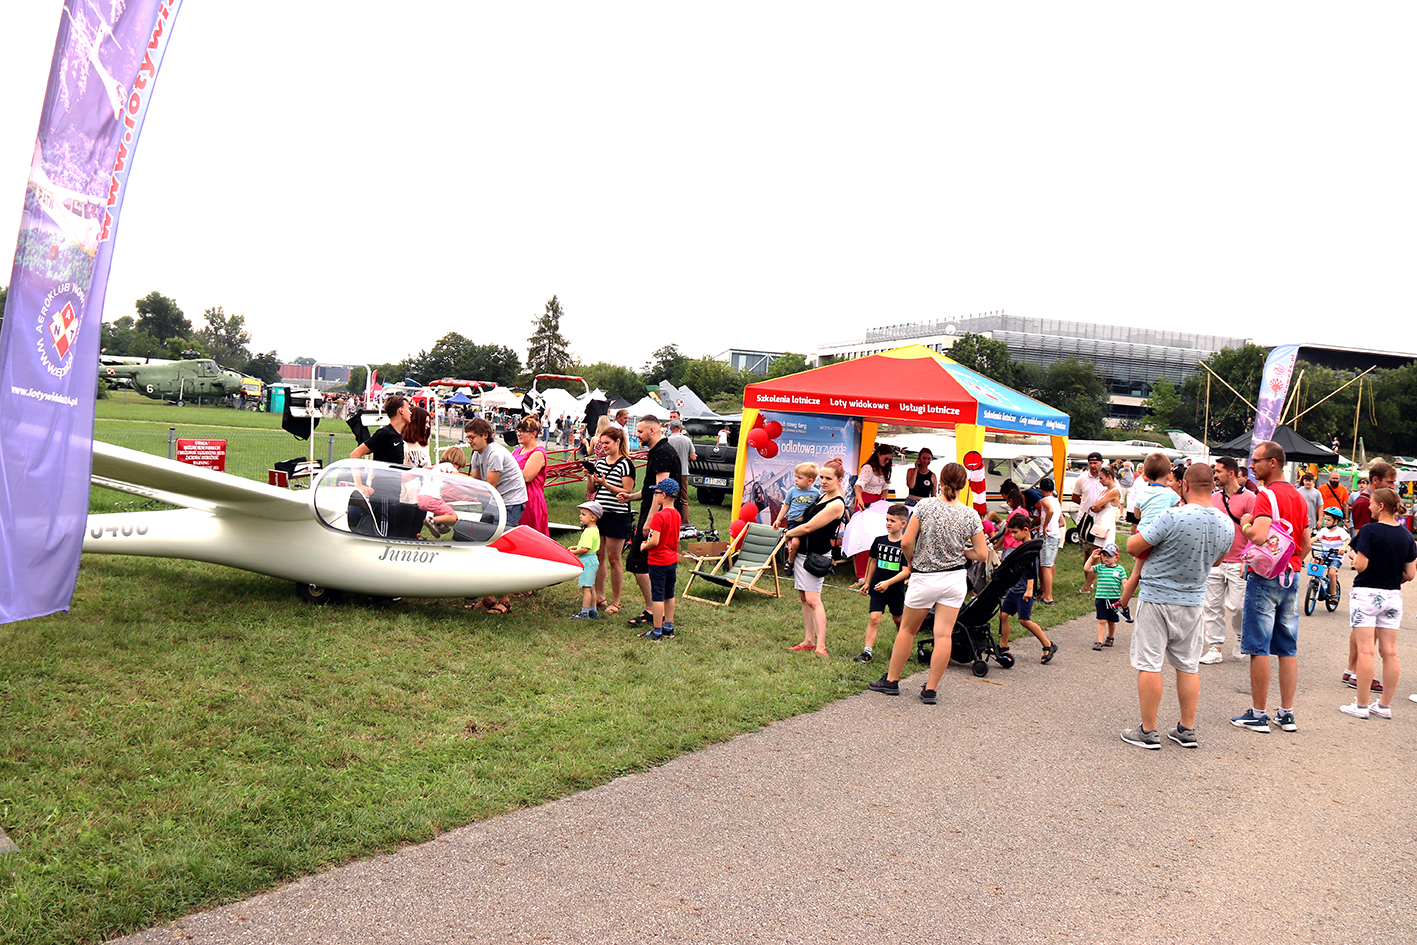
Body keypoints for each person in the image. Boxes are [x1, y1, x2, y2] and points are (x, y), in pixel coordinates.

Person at [1120, 464, 1234, 749]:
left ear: (1185, 484)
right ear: (1213, 485)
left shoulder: (1171, 516)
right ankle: (1187, 728)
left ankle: (1148, 731)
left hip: (1157, 597)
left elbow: (1134, 547)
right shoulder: (1225, 524)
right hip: (1194, 601)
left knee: (1149, 664)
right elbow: (1217, 561)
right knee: (1188, 666)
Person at [868, 463, 988, 702]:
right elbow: (982, 554)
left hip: (925, 576)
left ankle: (892, 680)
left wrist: (912, 562)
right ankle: (930, 689)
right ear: (964, 485)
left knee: (908, 630)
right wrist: (963, 554)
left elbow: (905, 542)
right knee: (943, 635)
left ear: (939, 482)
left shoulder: (925, 506)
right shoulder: (970, 514)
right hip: (954, 579)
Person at [1232, 440, 1312, 734]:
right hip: (1291, 575)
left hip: (1265, 577)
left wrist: (1245, 523)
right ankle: (1287, 714)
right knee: (1287, 648)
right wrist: (1290, 563)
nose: (1251, 466)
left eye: (1256, 461)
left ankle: (1258, 713)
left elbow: (1260, 536)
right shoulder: (1299, 497)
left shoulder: (1265, 495)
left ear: (1273, 462)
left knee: (1259, 646)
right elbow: (1304, 544)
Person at [1343, 488, 1417, 718]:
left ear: (1381, 506)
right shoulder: (1406, 535)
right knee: (1390, 652)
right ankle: (1384, 706)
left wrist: (1353, 557)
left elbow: (1361, 565)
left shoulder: (1370, 530)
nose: (1369, 506)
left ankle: (1362, 705)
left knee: (1366, 651)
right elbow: (1410, 574)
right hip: (1393, 595)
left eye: (1372, 503)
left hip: (1366, 593)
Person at [616, 416, 680, 629]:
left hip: (658, 517)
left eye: (641, 431)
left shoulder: (662, 452)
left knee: (637, 561)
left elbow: (661, 489)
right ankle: (656, 609)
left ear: (652, 431)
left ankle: (654, 609)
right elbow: (650, 489)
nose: (637, 435)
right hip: (657, 514)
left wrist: (650, 519)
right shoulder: (659, 451)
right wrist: (631, 497)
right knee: (643, 562)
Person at [465, 417, 531, 615]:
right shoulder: (478, 453)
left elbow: (487, 487)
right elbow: (473, 481)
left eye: (472, 437)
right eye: (467, 437)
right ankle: (488, 597)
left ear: (485, 435)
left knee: (499, 549)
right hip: (496, 502)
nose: (470, 441)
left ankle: (505, 600)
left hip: (510, 503)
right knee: (485, 546)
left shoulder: (494, 453)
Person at [1344, 461, 1399, 691]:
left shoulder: (1374, 502)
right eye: (1390, 481)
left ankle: (1351, 669)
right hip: (1373, 581)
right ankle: (1358, 672)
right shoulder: (1368, 505)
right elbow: (1360, 539)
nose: (1394, 485)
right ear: (1376, 481)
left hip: (1373, 580)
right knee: (1369, 631)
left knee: (1361, 628)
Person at [785, 463, 848, 657]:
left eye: (828, 478)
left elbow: (809, 527)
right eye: (821, 477)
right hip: (804, 553)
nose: (823, 482)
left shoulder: (836, 503)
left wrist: (788, 533)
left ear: (839, 481)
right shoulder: (822, 496)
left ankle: (821, 647)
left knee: (814, 600)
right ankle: (808, 640)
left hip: (817, 555)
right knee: (804, 598)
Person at [1198, 456, 1255, 664]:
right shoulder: (1213, 499)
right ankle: (1215, 647)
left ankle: (1241, 636)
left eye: (1219, 471)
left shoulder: (1250, 498)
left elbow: (1255, 531)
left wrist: (1247, 558)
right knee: (1211, 605)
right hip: (1215, 561)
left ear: (1231, 473)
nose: (1215, 475)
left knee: (1238, 606)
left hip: (1240, 561)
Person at [1117, 453, 1182, 623]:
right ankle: (1124, 603)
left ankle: (1123, 603)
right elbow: (1178, 510)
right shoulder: (1170, 494)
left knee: (1136, 573)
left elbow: (1137, 514)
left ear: (1145, 474)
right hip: (1161, 536)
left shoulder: (1143, 492)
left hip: (1142, 536)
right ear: (1169, 474)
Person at [852, 503, 911, 663]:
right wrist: (867, 581)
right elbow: (873, 562)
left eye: (892, 520)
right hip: (878, 587)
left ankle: (903, 646)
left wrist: (888, 583)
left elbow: (906, 571)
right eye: (887, 520)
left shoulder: (905, 545)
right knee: (874, 618)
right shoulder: (879, 541)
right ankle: (867, 652)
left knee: (898, 619)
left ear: (903, 524)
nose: (888, 523)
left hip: (895, 589)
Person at [997, 512, 1057, 664]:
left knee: (1024, 620)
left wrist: (1030, 589)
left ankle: (1048, 645)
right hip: (1015, 589)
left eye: (1015, 532)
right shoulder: (1023, 546)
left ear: (1026, 530)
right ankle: (1003, 645)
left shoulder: (1031, 548)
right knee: (1003, 615)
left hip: (1024, 591)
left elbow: (1031, 569)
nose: (1014, 536)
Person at [589, 426, 635, 616]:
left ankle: (616, 601)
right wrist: (590, 477)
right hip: (600, 514)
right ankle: (600, 597)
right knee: (598, 556)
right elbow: (593, 489)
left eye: (607, 443)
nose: (604, 447)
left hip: (618, 515)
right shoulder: (600, 462)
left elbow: (628, 492)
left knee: (614, 558)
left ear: (618, 442)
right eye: (602, 443)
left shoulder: (626, 464)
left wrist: (605, 484)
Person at [638, 479, 683, 640]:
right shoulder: (677, 515)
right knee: (669, 595)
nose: (654, 495)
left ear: (663, 495)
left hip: (658, 561)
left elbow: (655, 541)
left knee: (657, 596)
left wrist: (644, 546)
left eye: (656, 492)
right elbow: (676, 539)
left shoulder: (659, 516)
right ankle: (668, 628)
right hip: (672, 560)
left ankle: (657, 632)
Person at [773, 462, 822, 570]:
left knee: (802, 544)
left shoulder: (816, 493)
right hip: (793, 522)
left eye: (799, 478)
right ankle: (790, 562)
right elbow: (785, 506)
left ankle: (789, 539)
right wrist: (778, 519)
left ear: (810, 481)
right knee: (796, 542)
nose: (796, 480)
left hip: (806, 523)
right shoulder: (792, 491)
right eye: (795, 477)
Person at [1071, 452, 1107, 590]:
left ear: (1101, 463)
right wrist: (1086, 505)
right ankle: (1089, 582)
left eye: (1095, 463)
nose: (1093, 466)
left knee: (1100, 551)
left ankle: (1102, 581)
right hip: (1085, 520)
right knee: (1088, 552)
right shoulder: (1082, 479)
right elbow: (1075, 496)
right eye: (1090, 463)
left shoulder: (1107, 479)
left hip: (1102, 520)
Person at [1085, 544, 1128, 651]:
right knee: (1102, 620)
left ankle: (1110, 637)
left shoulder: (1120, 570)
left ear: (1116, 558)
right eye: (1104, 555)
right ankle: (1099, 641)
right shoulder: (1100, 567)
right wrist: (1092, 557)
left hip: (1114, 599)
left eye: (1110, 556)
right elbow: (1087, 568)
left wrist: (1126, 595)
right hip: (1101, 598)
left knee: (1112, 621)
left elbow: (1125, 583)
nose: (1106, 558)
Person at [513, 416, 550, 537]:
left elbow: (526, 477)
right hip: (515, 496)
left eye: (523, 431)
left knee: (529, 536)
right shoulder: (516, 451)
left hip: (530, 499)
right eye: (518, 431)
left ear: (533, 434)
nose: (519, 434)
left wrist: (509, 468)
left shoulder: (538, 452)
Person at [568, 501, 603, 620]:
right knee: (590, 587)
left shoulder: (588, 532)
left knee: (586, 589)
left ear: (593, 518)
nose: (580, 516)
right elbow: (587, 546)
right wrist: (575, 547)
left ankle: (584, 613)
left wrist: (573, 552)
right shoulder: (594, 530)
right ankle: (593, 610)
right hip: (593, 559)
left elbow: (584, 549)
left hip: (587, 561)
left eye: (583, 514)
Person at [350, 393, 409, 464]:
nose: (410, 412)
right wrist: (358, 475)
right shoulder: (385, 433)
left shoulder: (400, 433)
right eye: (408, 409)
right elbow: (355, 454)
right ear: (401, 410)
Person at [1036, 477, 1063, 605]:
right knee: (1051, 564)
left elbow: (1050, 511)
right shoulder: (1057, 501)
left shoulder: (1044, 500)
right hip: (1056, 535)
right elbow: (1062, 522)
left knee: (1045, 566)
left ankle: (1048, 596)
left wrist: (1044, 526)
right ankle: (1047, 592)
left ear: (1042, 490)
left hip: (1048, 536)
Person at [1314, 507, 1350, 599]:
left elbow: (1348, 540)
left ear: (1336, 521)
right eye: (1325, 519)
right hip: (1325, 554)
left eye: (1329, 520)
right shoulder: (1323, 530)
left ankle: (1333, 595)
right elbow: (1315, 538)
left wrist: (1343, 547)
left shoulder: (1340, 531)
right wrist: (1307, 543)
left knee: (1331, 573)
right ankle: (1316, 583)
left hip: (1336, 557)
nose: (1326, 522)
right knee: (1315, 564)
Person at [665, 419, 696, 523]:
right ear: (681, 428)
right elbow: (693, 457)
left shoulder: (668, 440)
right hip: (684, 472)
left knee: (670, 496)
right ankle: (685, 521)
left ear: (671, 428)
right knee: (683, 498)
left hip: (671, 472)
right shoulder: (687, 440)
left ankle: (670, 519)